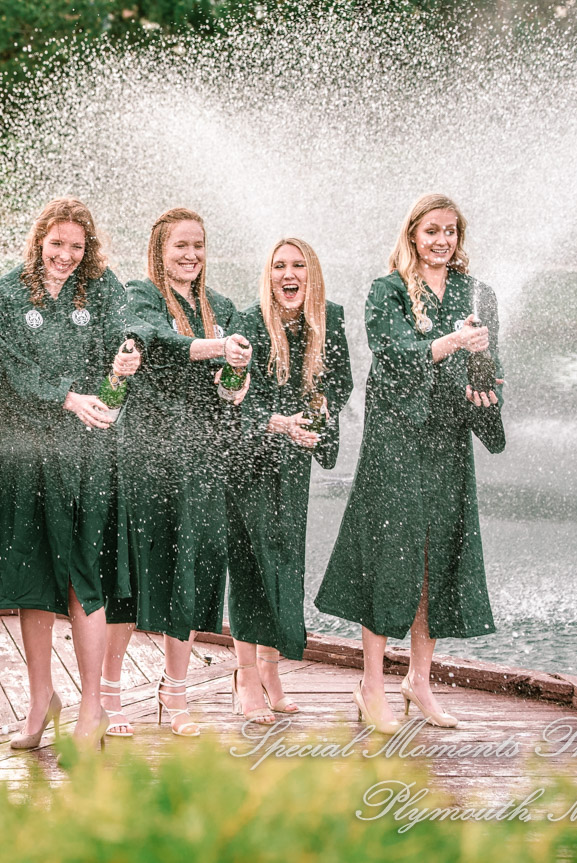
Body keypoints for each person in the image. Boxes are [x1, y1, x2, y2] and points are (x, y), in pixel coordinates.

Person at [316, 193, 505, 733]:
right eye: (431, 231)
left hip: (447, 442)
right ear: (413, 235)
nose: (441, 240)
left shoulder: (477, 293)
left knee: (434, 558)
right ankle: (370, 684)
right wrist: (452, 342)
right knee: (389, 554)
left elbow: (490, 365)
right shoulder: (388, 291)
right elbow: (393, 352)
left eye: (450, 231)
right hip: (395, 442)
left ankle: (419, 681)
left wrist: (483, 386)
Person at [0, 197, 145, 749]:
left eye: (77, 247)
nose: (66, 256)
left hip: (87, 453)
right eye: (57, 244)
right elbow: (7, 369)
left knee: (84, 576)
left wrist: (122, 371)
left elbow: (120, 360)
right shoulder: (3, 294)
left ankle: (92, 707)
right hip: (25, 451)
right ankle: (39, 701)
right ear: (38, 241)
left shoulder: (105, 290)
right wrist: (67, 397)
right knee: (31, 579)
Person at [109, 208, 250, 738]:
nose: (190, 255)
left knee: (188, 570)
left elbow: (230, 386)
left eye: (198, 245)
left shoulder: (224, 308)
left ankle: (175, 689)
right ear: (160, 251)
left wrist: (233, 382)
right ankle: (111, 692)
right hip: (147, 454)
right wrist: (212, 348)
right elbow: (147, 337)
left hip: (202, 458)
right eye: (180, 246)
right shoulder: (139, 296)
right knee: (132, 571)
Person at [225, 238, 352, 724]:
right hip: (249, 458)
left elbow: (341, 382)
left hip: (294, 459)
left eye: (298, 265)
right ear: (269, 275)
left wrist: (321, 408)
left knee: (285, 564)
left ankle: (272, 670)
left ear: (312, 274)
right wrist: (276, 423)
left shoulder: (330, 318)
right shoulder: (249, 320)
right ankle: (245, 676)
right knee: (252, 566)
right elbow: (233, 396)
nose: (287, 273)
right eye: (279, 266)